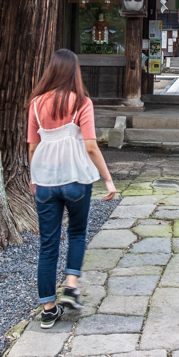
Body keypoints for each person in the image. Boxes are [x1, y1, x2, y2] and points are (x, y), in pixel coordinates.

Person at [27, 49, 117, 328]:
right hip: (76, 180)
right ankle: (70, 285)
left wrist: (34, 178)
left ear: (52, 71)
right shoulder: (82, 102)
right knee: (77, 233)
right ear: (73, 71)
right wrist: (107, 178)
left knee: (48, 244)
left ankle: (48, 308)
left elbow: (32, 147)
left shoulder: (36, 104)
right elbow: (90, 146)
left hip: (45, 182)